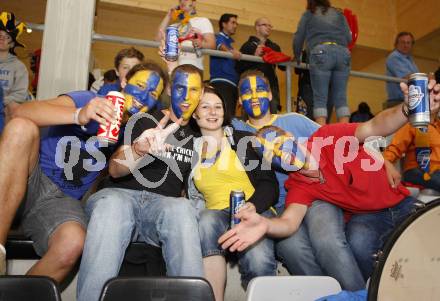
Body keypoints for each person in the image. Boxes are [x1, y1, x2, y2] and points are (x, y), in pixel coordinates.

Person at [219, 80, 440, 287]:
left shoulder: (326, 137)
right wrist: (265, 224)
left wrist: (405, 109)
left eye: (278, 142)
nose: (279, 152)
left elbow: (374, 127)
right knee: (359, 243)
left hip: (401, 202)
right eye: (271, 155)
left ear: (289, 135)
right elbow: (289, 222)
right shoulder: (299, 185)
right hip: (367, 217)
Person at [0, 61, 166, 279]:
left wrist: (139, 150)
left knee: (73, 242)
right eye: (140, 85)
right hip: (32, 177)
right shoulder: (90, 100)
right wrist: (79, 114)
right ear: (124, 81)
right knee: (22, 128)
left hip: (61, 202)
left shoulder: (133, 130)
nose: (144, 96)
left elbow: (116, 170)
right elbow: (21, 111)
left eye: (153, 92)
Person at [77, 64, 204, 301]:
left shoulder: (200, 135)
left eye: (194, 89)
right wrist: (138, 149)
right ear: (169, 89)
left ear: (202, 94)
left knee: (182, 208)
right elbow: (114, 170)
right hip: (121, 196)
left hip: (163, 207)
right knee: (113, 206)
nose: (186, 97)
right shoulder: (145, 119)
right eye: (180, 88)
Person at [187, 85, 278, 301]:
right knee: (206, 219)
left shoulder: (242, 139)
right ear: (195, 113)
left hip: (254, 210)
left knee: (258, 258)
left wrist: (253, 206)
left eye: (217, 107)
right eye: (205, 107)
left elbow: (269, 184)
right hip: (215, 216)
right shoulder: (189, 149)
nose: (212, 112)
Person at [232, 70, 319, 214]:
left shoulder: (294, 120)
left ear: (270, 94)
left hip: (306, 202)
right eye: (247, 92)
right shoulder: (237, 130)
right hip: (264, 208)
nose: (254, 96)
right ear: (240, 100)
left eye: (260, 90)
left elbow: (332, 138)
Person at [293, 0, 352, 125]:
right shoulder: (338, 14)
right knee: (341, 97)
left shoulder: (309, 14)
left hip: (321, 53)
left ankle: (322, 131)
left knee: (320, 98)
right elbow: (348, 37)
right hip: (343, 53)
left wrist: (297, 56)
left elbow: (299, 37)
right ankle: (346, 131)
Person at [383, 101, 440, 191]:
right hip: (417, 171)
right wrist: (385, 165)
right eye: (430, 99)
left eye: (436, 100)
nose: (433, 102)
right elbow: (395, 148)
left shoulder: (438, 126)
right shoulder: (412, 124)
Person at [236, 17, 285, 113]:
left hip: (270, 86)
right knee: (250, 113)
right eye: (265, 25)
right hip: (251, 87)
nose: (268, 27)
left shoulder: (274, 47)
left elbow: (283, 67)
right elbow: (239, 68)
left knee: (272, 112)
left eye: (270, 26)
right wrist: (254, 56)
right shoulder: (247, 46)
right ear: (257, 27)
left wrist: (280, 57)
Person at [157, 0, 215, 70]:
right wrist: (168, 16)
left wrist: (201, 44)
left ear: (193, 3)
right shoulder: (175, 26)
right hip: (174, 68)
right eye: (180, 0)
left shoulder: (202, 21)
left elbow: (212, 45)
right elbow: (158, 39)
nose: (182, 1)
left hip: (194, 68)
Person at [0, 11, 30, 122]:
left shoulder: (19, 67)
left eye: (7, 37)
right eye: (0, 35)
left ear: (12, 44)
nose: (2, 39)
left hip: (5, 111)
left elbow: (20, 95)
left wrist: (1, 101)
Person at [209, 13, 241, 116]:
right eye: (233, 22)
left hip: (231, 84)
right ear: (224, 24)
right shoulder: (218, 37)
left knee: (229, 115)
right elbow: (219, 45)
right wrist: (231, 52)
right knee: (224, 115)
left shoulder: (228, 42)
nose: (235, 25)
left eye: (236, 23)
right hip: (222, 83)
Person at [386, 32, 419, 105]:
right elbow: (407, 78)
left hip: (409, 99)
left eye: (408, 43)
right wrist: (425, 77)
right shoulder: (394, 57)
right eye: (403, 42)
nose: (406, 45)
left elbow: (414, 77)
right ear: (396, 44)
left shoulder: (410, 59)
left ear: (412, 45)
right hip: (398, 101)